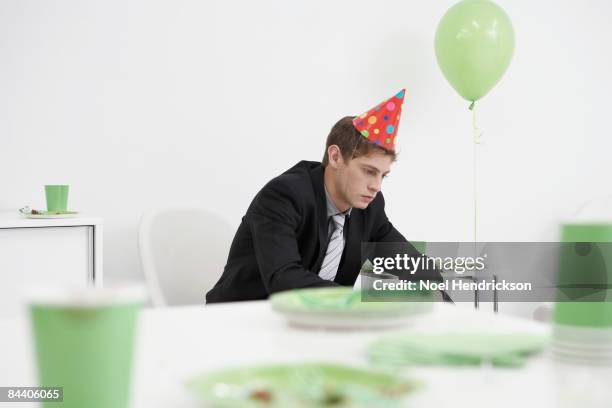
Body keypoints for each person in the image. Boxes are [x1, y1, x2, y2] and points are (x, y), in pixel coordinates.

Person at [206, 89, 442, 303]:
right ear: (335, 157)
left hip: (310, 328)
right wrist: (358, 300)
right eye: (369, 171)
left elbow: (412, 265)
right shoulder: (284, 195)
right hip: (240, 320)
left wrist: (439, 291)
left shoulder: (370, 208)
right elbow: (283, 279)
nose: (376, 186)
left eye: (383, 175)